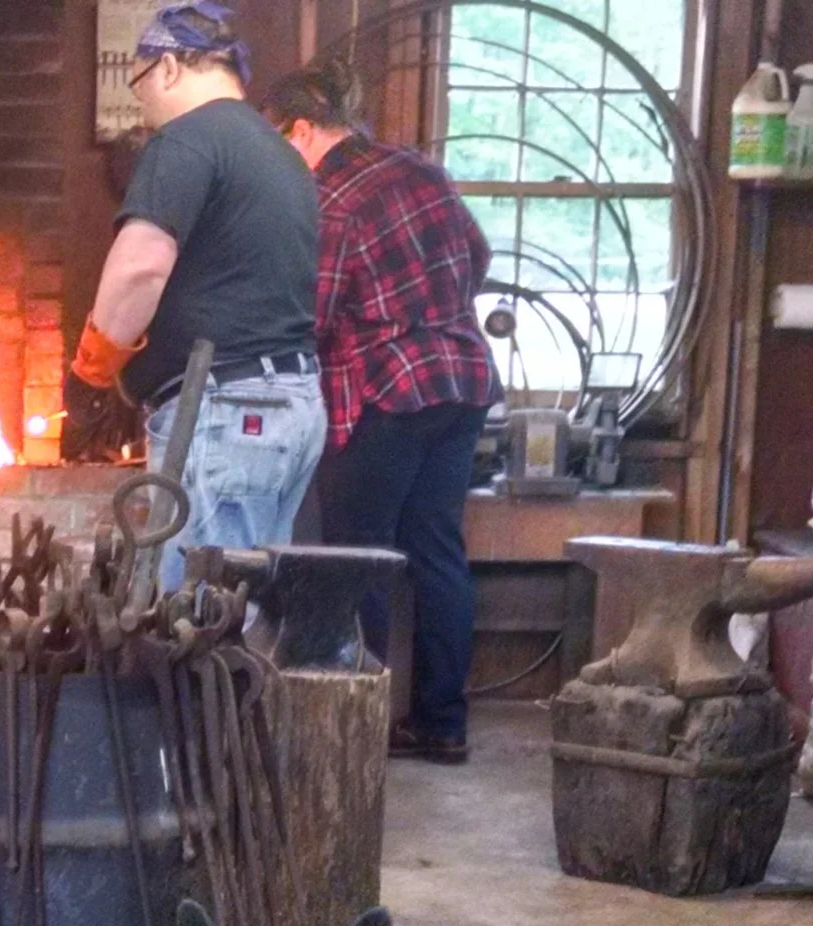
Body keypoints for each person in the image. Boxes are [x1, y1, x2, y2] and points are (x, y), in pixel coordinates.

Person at [270, 59, 499, 764]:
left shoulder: (328, 201)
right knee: (437, 551)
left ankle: (355, 730)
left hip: (385, 395)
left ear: (303, 129)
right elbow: (479, 253)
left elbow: (314, 311)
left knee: (356, 558)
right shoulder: (419, 168)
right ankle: (441, 721)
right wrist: (431, 309)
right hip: (460, 380)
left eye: (281, 139)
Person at [69, 4, 323, 588]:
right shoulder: (281, 155)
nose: (141, 101)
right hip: (290, 405)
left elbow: (140, 268)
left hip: (229, 410)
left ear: (169, 67)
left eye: (139, 82)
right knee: (243, 608)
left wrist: (92, 369)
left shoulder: (185, 142)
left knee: (196, 618)